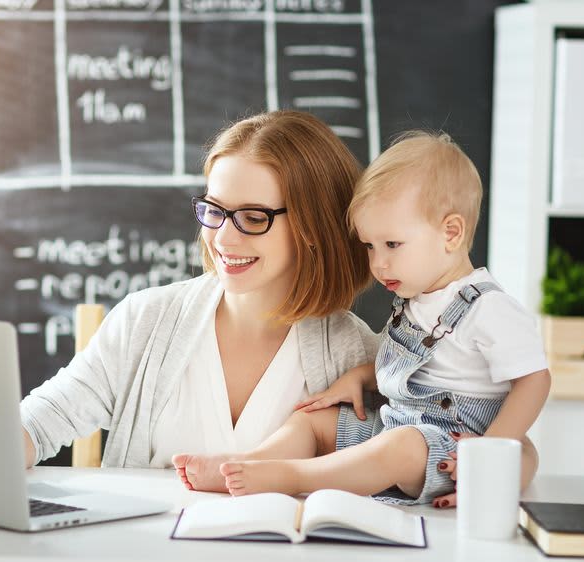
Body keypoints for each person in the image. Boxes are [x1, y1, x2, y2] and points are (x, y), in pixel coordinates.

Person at [173, 131, 549, 507]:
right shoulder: (415, 300)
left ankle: (291, 476)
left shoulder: (488, 308)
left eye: (392, 245)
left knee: (398, 446)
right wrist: (360, 377)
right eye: (370, 246)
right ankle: (248, 463)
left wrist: (489, 456)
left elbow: (534, 380)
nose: (378, 263)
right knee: (314, 423)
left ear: (450, 233)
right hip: (396, 423)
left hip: (447, 448)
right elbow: (413, 367)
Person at [19, 110, 378, 470]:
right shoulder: (144, 321)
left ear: (314, 227)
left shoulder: (356, 355)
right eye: (215, 209)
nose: (223, 238)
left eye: (253, 218)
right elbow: (39, 422)